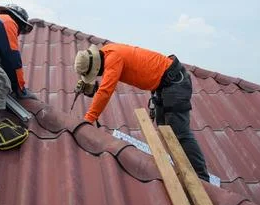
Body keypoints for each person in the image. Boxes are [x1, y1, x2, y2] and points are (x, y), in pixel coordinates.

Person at [74, 43, 210, 181]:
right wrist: (90, 88)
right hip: (165, 85)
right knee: (165, 131)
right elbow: (104, 83)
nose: (98, 75)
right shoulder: (107, 51)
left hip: (174, 82)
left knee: (179, 134)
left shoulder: (113, 58)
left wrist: (88, 120)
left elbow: (105, 91)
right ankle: (183, 171)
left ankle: (202, 179)